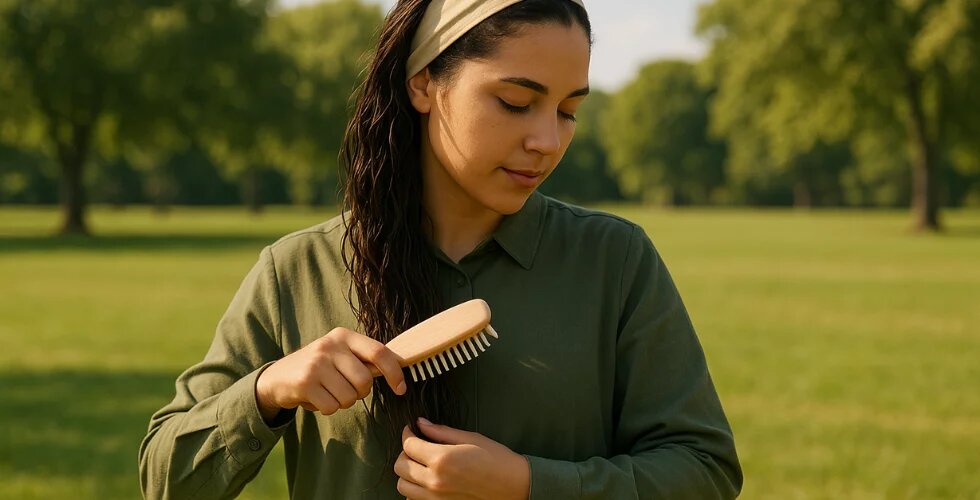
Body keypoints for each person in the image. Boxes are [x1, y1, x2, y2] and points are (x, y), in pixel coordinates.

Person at [139, 0, 743, 498]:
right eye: (515, 102)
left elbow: (704, 472)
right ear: (425, 84)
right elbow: (165, 478)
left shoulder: (615, 262)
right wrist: (267, 390)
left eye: (568, 111)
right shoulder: (297, 269)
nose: (546, 140)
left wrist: (531, 485)